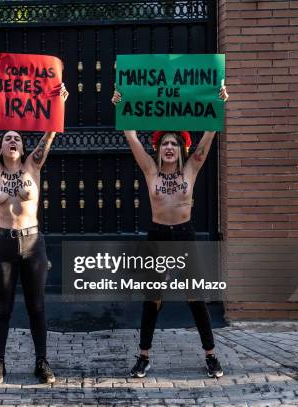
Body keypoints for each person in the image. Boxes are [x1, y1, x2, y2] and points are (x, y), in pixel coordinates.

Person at [111, 84, 229, 379]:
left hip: (185, 236)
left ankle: (211, 355)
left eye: (174, 143)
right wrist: (120, 105)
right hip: (159, 238)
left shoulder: (190, 169)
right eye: (164, 143)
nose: (169, 147)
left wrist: (218, 103)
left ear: (181, 149)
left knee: (195, 298)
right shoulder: (150, 170)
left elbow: (209, 135)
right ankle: (144, 356)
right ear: (158, 148)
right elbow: (130, 136)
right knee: (153, 299)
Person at [0, 83, 68, 384]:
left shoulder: (33, 165)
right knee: (2, 306)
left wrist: (59, 104)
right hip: (3, 243)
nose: (13, 140)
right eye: (7, 138)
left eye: (17, 137)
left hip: (32, 243)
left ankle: (42, 362)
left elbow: (49, 134)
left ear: (23, 146)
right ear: (2, 148)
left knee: (37, 305)